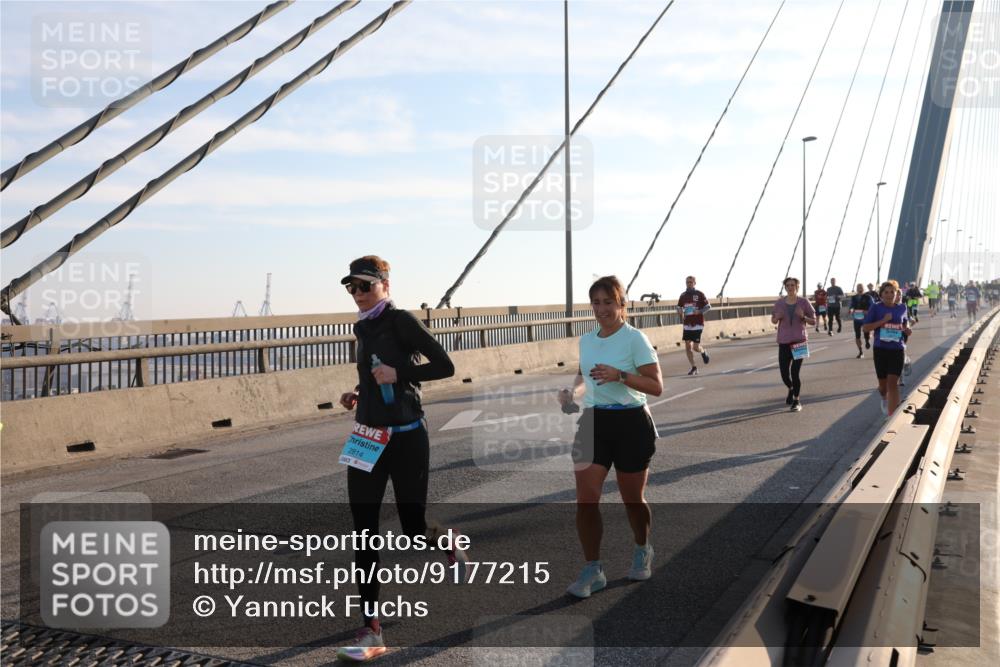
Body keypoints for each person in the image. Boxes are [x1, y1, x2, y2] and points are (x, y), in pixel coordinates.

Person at [336, 256, 462, 662]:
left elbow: (445, 366)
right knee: (363, 533)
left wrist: (399, 373)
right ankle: (372, 629)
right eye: (352, 287)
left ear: (385, 286)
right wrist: (360, 393)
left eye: (365, 285)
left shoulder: (401, 320)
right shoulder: (363, 326)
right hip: (367, 436)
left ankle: (444, 540)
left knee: (412, 529)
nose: (358, 293)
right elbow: (375, 371)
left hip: (407, 438)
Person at [558, 275, 663, 598]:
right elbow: (583, 376)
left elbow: (656, 386)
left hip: (631, 422)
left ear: (621, 304)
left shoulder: (635, 339)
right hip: (594, 422)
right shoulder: (587, 340)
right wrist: (571, 394)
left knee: (632, 500)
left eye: (608, 302)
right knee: (586, 499)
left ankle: (643, 548)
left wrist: (621, 376)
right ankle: (593, 569)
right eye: (596, 302)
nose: (601, 309)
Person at [862, 281, 911, 417]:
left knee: (893, 384)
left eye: (892, 292)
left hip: (897, 349)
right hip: (881, 350)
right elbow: (865, 328)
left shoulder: (902, 308)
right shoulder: (876, 308)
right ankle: (884, 398)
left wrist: (907, 329)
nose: (889, 295)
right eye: (886, 292)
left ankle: (892, 416)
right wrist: (883, 320)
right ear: (881, 295)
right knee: (883, 387)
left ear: (896, 294)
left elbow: (905, 323)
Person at [772, 277, 817, 412]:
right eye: (788, 285)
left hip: (799, 341)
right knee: (784, 374)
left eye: (793, 285)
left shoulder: (804, 302)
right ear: (785, 287)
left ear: (797, 287)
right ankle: (791, 388)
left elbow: (813, 321)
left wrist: (803, 317)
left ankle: (797, 401)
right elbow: (773, 320)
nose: (790, 287)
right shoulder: (779, 303)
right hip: (784, 342)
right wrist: (777, 317)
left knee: (795, 373)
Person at [676, 276, 711, 376]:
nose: (689, 284)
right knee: (687, 346)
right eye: (687, 282)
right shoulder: (683, 295)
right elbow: (678, 307)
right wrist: (679, 311)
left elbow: (708, 306)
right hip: (687, 324)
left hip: (697, 324)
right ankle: (694, 367)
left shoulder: (699, 294)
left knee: (695, 347)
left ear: (695, 283)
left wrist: (699, 311)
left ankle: (703, 351)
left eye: (691, 282)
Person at [849, 282, 871, 358]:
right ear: (856, 289)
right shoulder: (853, 297)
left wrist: (867, 311)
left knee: (866, 333)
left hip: (865, 318)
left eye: (861, 287)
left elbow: (873, 307)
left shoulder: (868, 297)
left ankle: (867, 341)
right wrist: (851, 310)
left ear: (863, 289)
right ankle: (861, 352)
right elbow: (851, 306)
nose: (859, 289)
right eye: (858, 288)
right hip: (857, 319)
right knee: (857, 336)